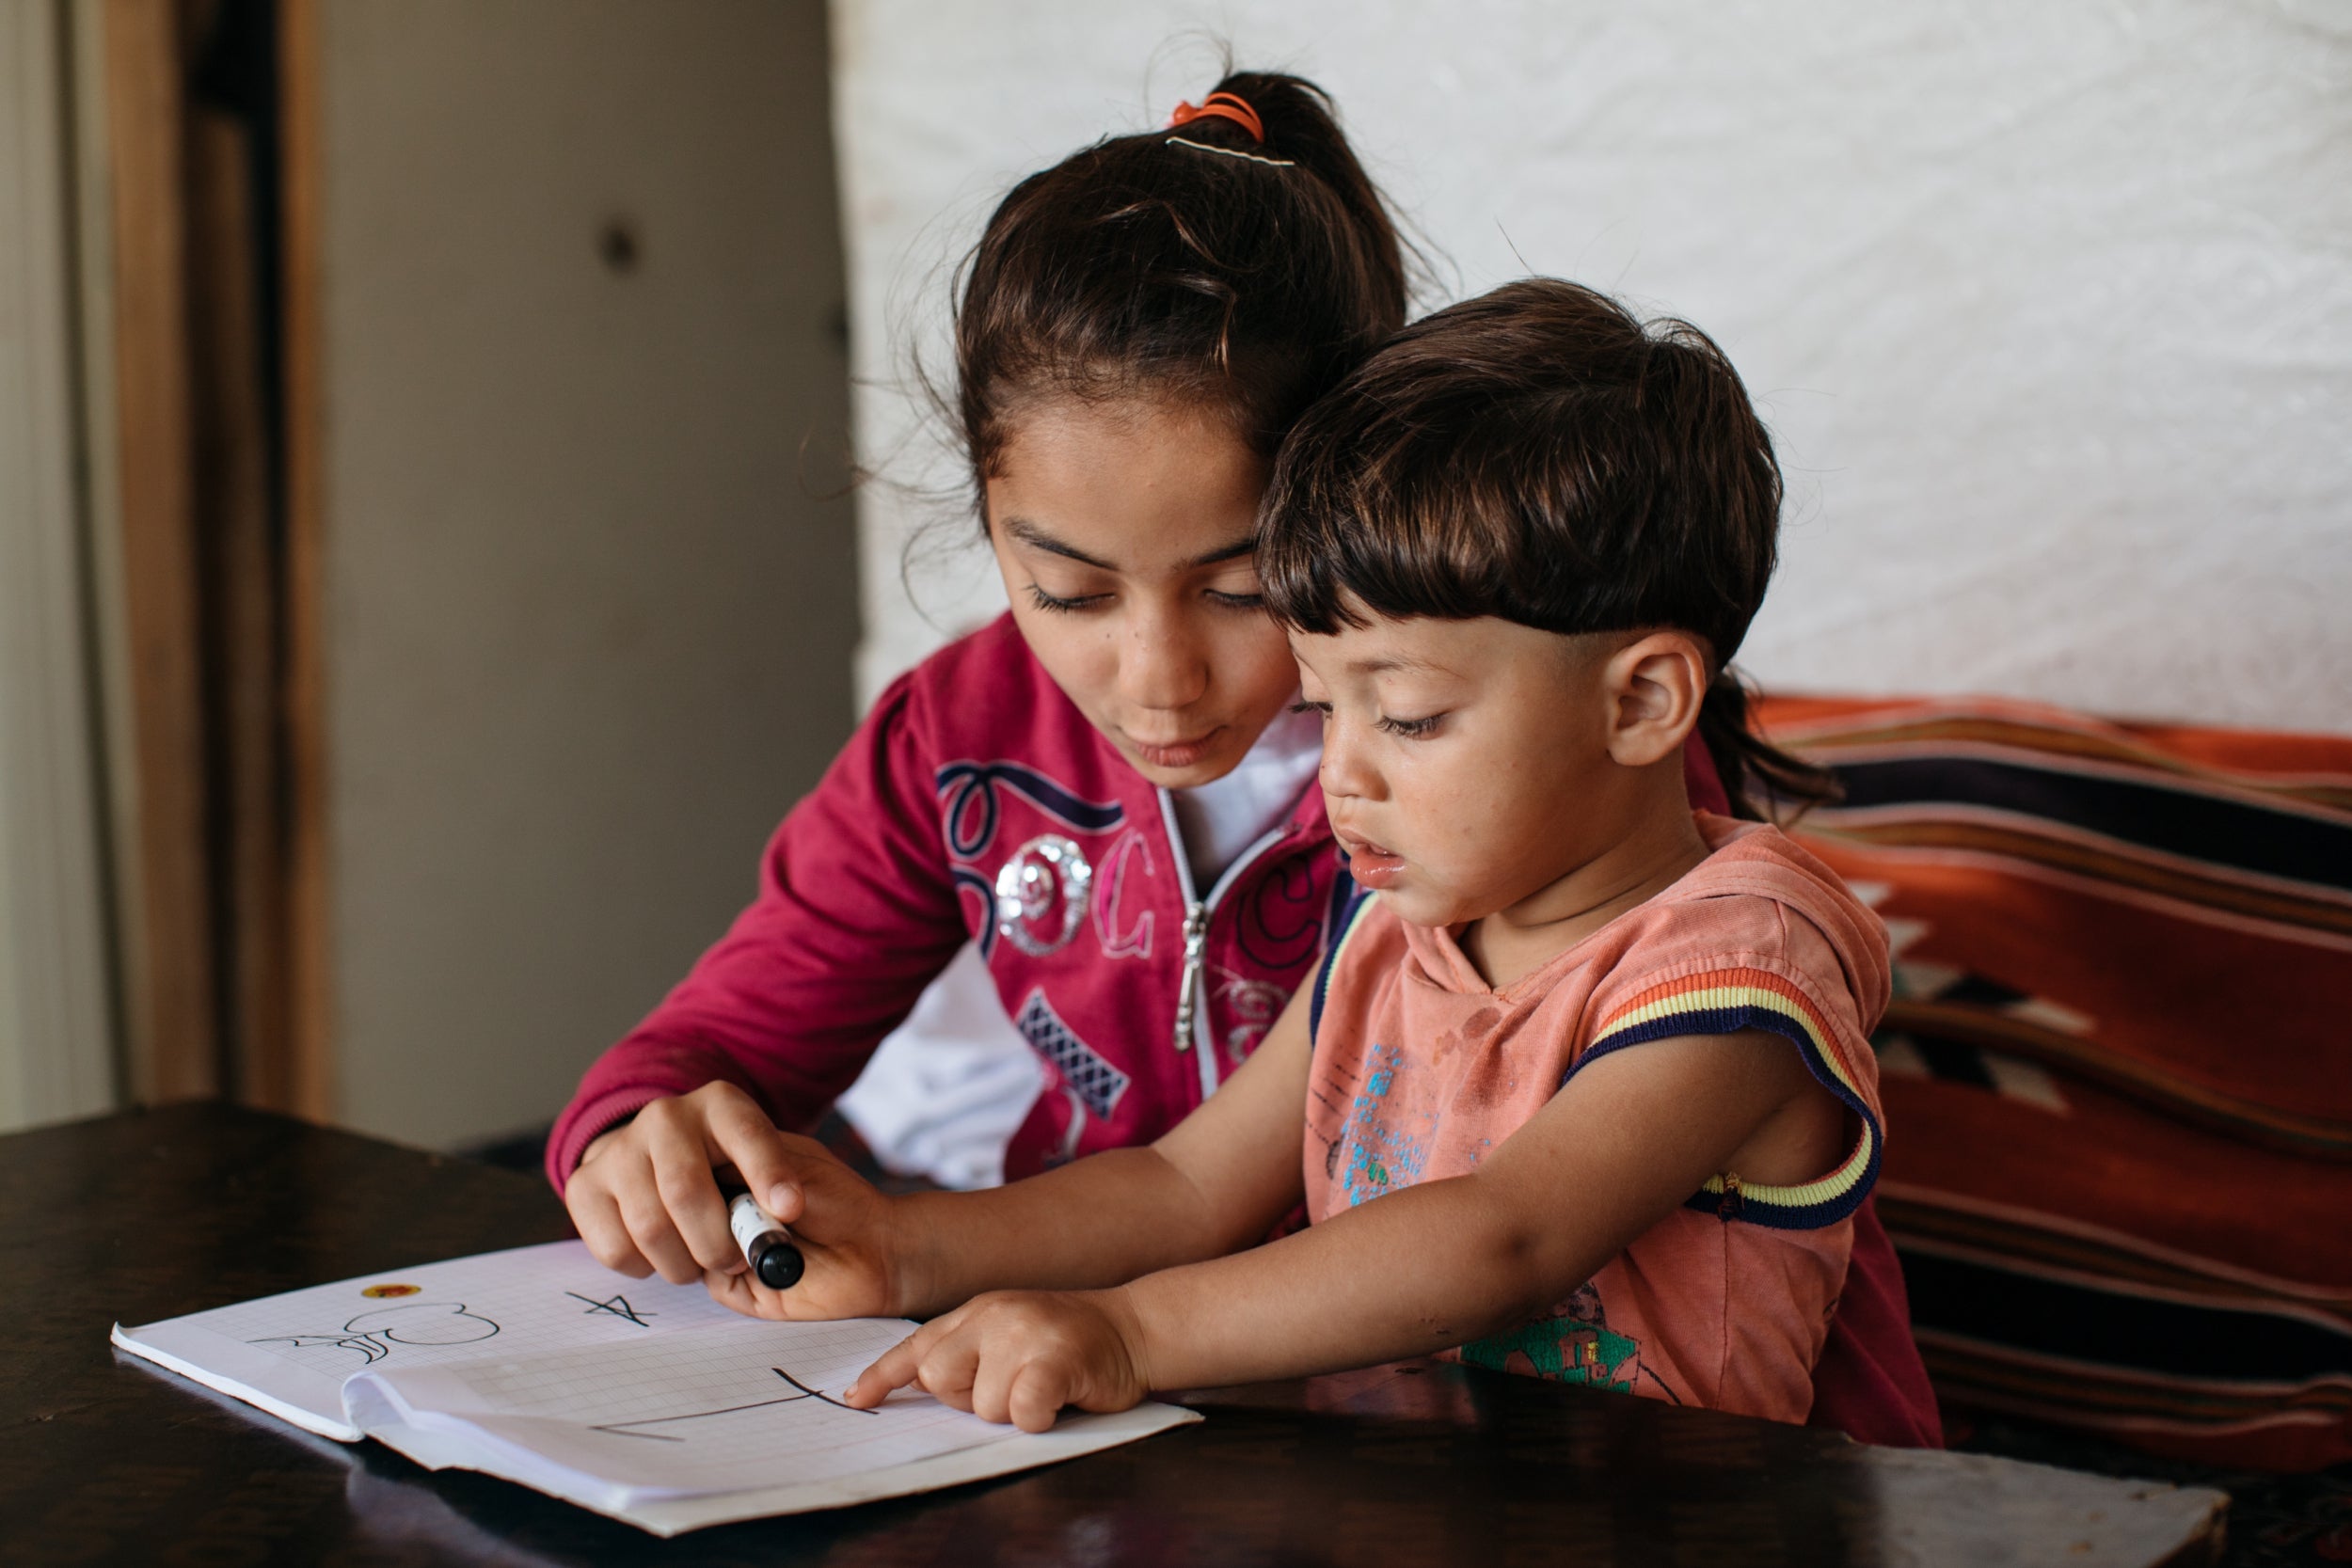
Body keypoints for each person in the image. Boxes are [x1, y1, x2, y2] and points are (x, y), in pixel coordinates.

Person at [550, 74, 1936, 1444]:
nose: (1156, 679)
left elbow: (1504, 1236)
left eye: (1242, 587)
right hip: (1259, 1433)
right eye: (1070, 591)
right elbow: (1172, 1186)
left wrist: (1125, 1329)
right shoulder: (1337, 874)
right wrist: (756, 1190)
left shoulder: (1581, 845)